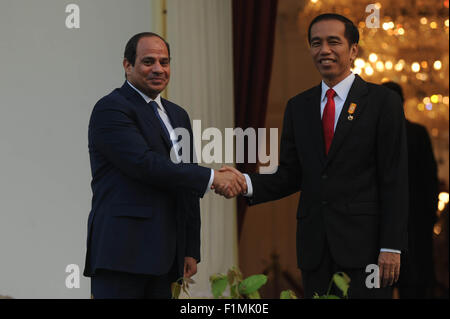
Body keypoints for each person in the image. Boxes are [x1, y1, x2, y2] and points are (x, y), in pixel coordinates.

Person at [219, 13, 409, 298]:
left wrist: (391, 246)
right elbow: (290, 174)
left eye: (334, 42)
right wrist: (246, 182)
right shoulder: (299, 106)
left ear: (353, 49)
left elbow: (394, 179)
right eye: (316, 43)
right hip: (315, 250)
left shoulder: (383, 102)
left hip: (367, 250)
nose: (324, 50)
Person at [83, 32, 246, 299]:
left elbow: (186, 184)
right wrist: (213, 177)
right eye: (148, 61)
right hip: (122, 254)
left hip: (166, 257)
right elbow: (145, 164)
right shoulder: (111, 109)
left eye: (164, 61)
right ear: (127, 66)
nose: (158, 69)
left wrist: (190, 247)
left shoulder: (177, 114)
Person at [382, 81, 439, 298]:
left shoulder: (374, 137)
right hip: (414, 224)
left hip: (403, 225)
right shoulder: (416, 133)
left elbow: (429, 179)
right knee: (413, 285)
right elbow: (430, 180)